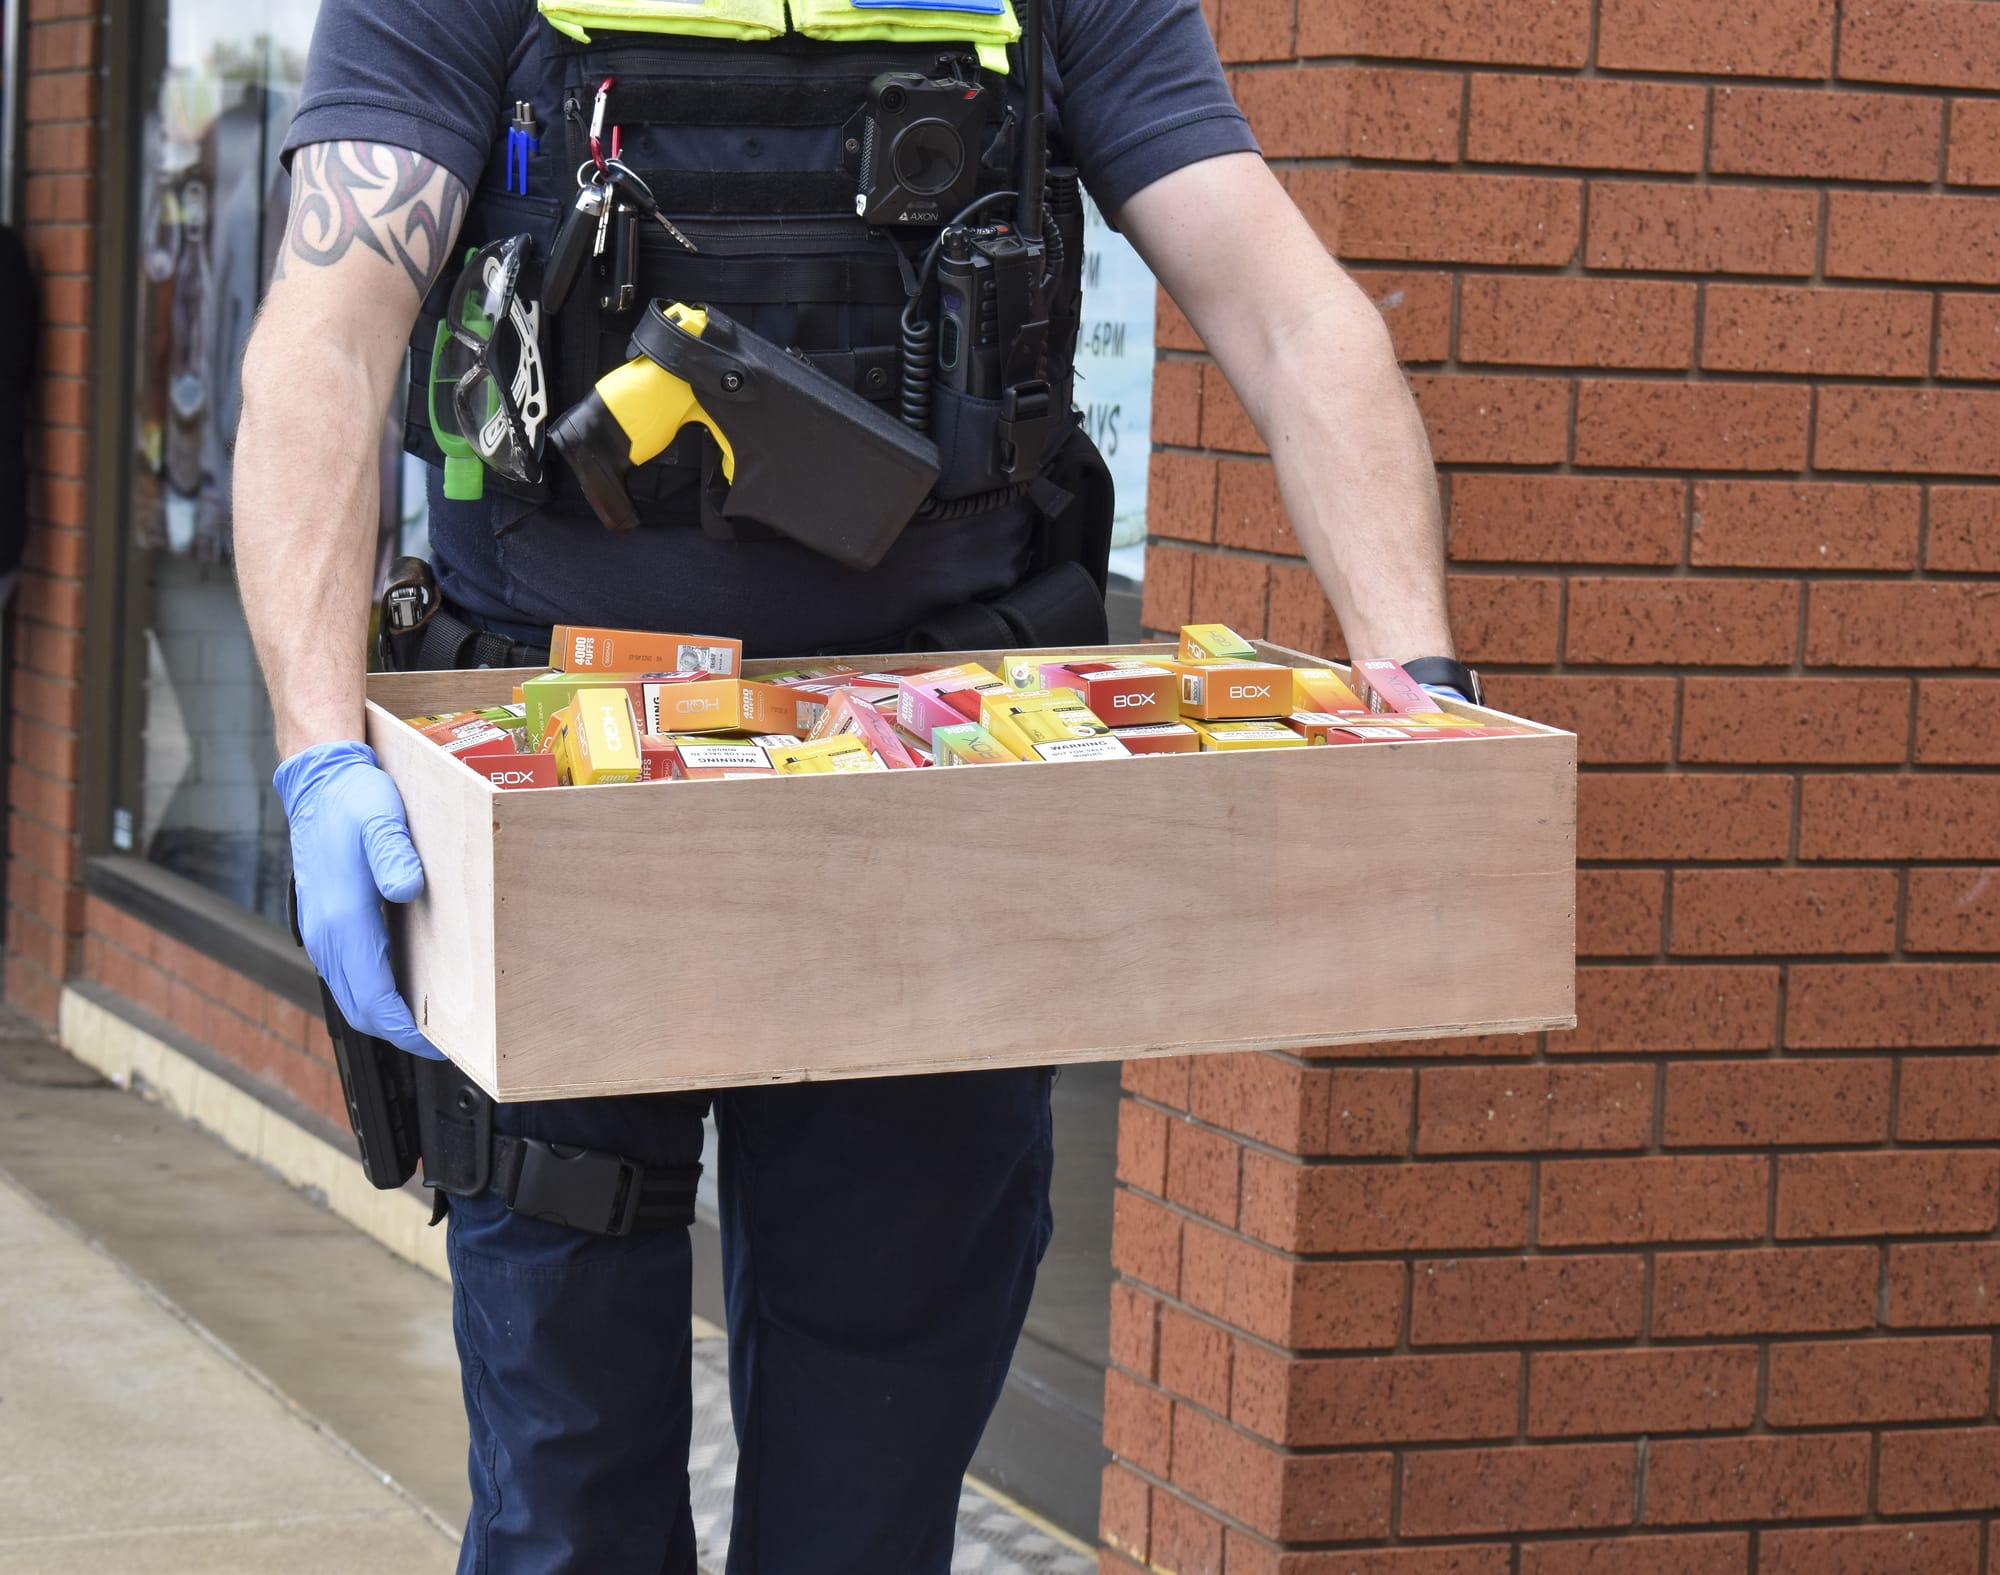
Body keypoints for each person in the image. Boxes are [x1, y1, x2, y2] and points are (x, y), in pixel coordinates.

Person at [233, 0, 1474, 1568]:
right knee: (567, 1496)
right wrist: (317, 750)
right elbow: (326, 340)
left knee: (867, 1498)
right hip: (554, 796)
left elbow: (1291, 314)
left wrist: (1418, 683)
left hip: (929, 809)